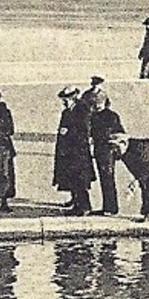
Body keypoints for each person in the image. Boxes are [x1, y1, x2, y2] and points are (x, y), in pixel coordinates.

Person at [53, 87, 96, 215]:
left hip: (78, 152)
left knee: (79, 180)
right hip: (68, 151)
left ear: (72, 98)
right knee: (71, 178)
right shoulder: (67, 111)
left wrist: (68, 132)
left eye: (65, 99)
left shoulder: (82, 109)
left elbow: (84, 130)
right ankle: (76, 201)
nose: (63, 102)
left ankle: (84, 207)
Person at [90, 95, 124, 216]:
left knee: (108, 179)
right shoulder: (96, 116)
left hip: (107, 150)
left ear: (105, 103)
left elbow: (120, 133)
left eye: (99, 103)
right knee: (106, 179)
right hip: (101, 150)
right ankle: (108, 206)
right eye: (94, 103)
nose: (96, 105)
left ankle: (111, 207)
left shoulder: (109, 116)